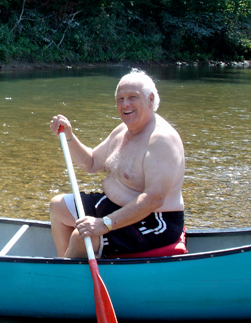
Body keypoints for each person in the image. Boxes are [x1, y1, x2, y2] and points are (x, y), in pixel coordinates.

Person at [48, 69, 185, 258]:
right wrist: (70, 137)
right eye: (120, 99)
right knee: (58, 206)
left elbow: (154, 199)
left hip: (153, 221)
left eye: (132, 97)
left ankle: (65, 275)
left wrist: (103, 224)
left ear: (150, 99)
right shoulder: (122, 130)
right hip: (114, 207)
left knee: (81, 236)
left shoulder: (161, 140)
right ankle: (68, 265)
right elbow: (92, 163)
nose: (125, 104)